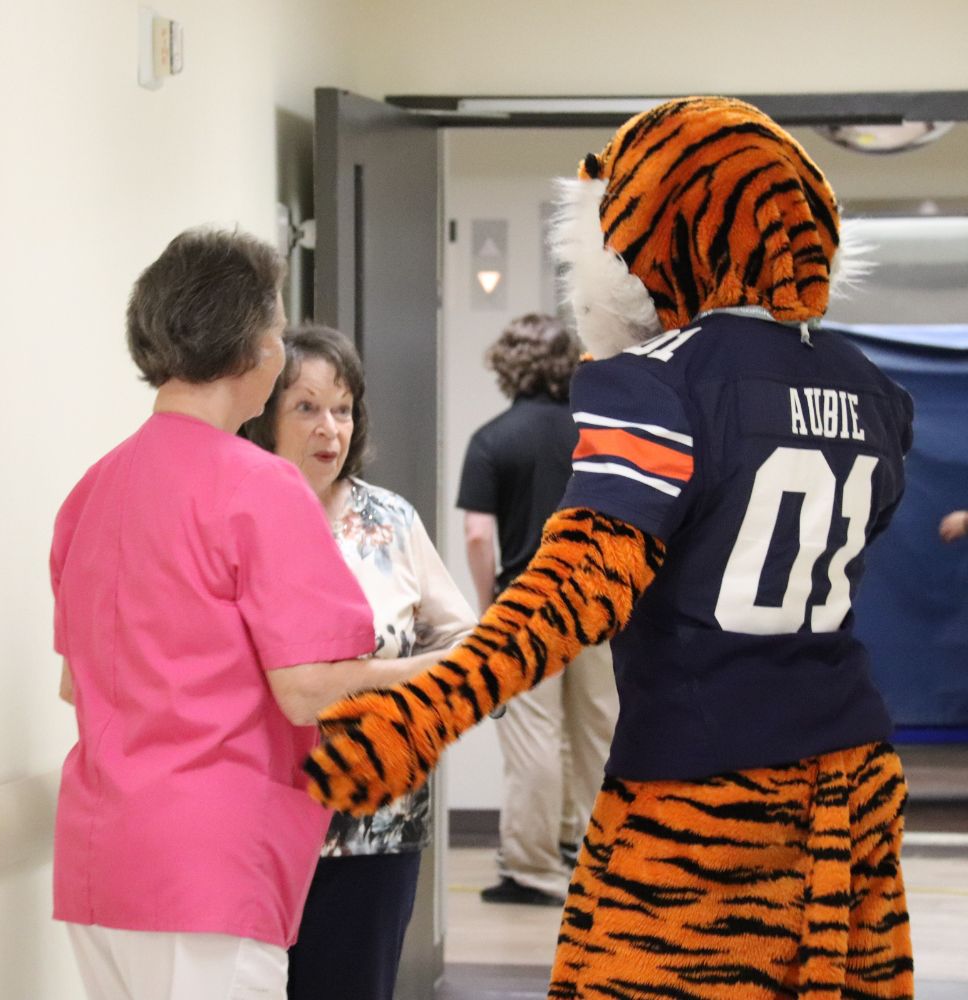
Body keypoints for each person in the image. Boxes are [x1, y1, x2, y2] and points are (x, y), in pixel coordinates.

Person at [304, 97, 917, 999]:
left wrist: (425, 710)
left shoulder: (656, 384)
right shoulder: (871, 389)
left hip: (706, 787)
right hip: (856, 780)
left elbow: (577, 589)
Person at [50, 229, 438, 1000]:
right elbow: (307, 687)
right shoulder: (259, 486)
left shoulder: (93, 488)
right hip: (209, 868)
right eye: (275, 329)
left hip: (99, 862)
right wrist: (454, 666)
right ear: (253, 350)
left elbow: (75, 686)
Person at [241, 325, 474, 1000]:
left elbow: (466, 644)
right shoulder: (240, 515)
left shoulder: (390, 521)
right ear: (265, 416)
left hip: (376, 824)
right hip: (254, 820)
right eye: (307, 407)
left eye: (342, 409)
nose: (329, 429)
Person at [457, 313, 618, 906]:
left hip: (527, 605)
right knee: (599, 733)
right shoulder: (595, 435)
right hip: (598, 599)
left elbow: (478, 534)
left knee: (534, 738)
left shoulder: (493, 438)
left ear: (508, 364)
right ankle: (603, 854)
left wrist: (486, 605)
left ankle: (533, 868)